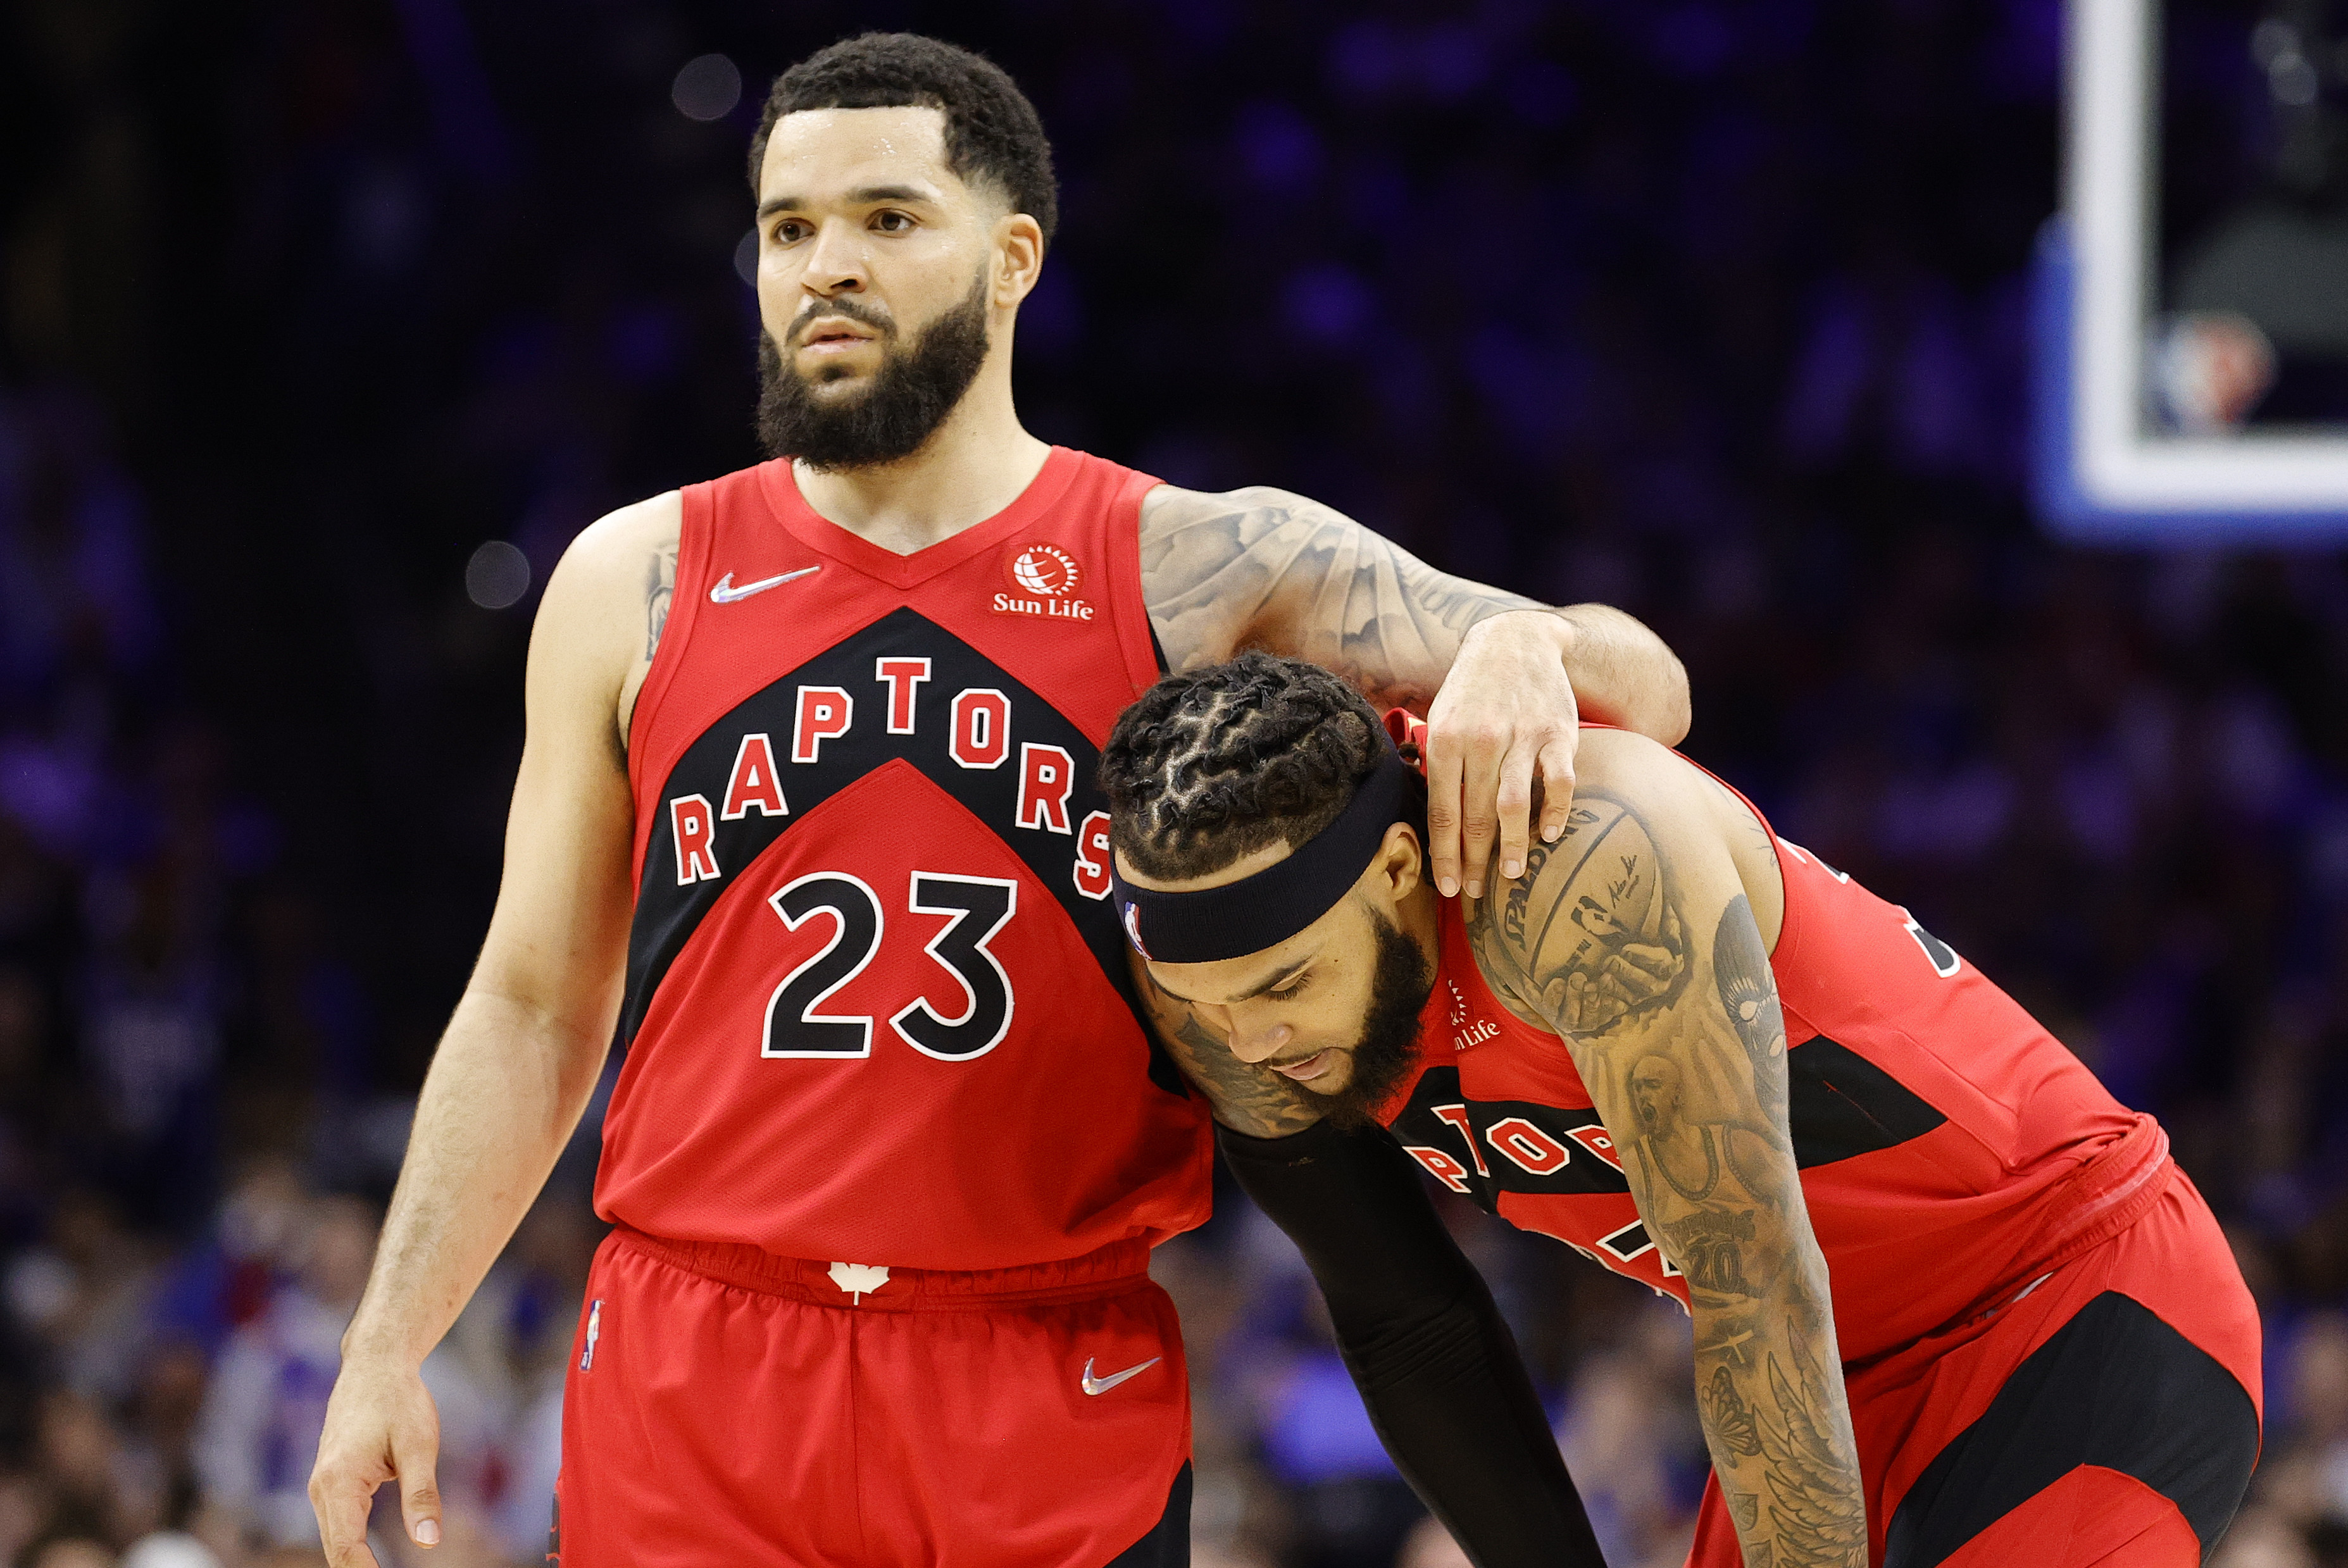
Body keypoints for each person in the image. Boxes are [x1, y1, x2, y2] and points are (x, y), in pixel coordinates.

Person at [306, 32, 1692, 1568]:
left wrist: (1513, 644)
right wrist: (388, 1339)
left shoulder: (1189, 564)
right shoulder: (628, 579)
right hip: (693, 1371)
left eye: (888, 219)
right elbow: (530, 1002)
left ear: (1013, 255)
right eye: (788, 228)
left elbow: (1642, 679)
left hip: (1040, 1368)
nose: (826, 266)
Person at [1101, 652, 2264, 1568]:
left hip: (2068, 1299)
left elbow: (1752, 1281)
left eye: (1286, 986)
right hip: (1838, 1366)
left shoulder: (1569, 872)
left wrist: (1533, 632)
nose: (1249, 1043)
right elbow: (1404, 1316)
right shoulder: (1223, 988)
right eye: (1210, 1005)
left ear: (1404, 869)